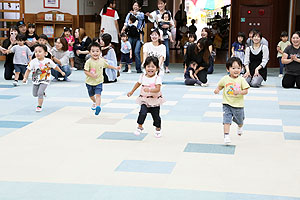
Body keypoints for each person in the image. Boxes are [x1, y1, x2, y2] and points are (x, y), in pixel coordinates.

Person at [214, 57, 250, 145]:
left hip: (238, 105)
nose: (236, 70)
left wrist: (239, 92)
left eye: (238, 68)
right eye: (233, 68)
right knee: (226, 120)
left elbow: (246, 91)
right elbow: (220, 86)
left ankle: (240, 126)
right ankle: (226, 136)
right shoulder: (225, 79)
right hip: (227, 104)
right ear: (228, 69)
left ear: (241, 69)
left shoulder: (241, 79)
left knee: (240, 120)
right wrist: (217, 90)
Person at [127, 56, 165, 138]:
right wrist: (132, 91)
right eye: (148, 66)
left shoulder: (157, 78)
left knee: (156, 117)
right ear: (145, 67)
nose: (150, 69)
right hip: (144, 99)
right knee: (142, 112)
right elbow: (138, 84)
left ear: (157, 68)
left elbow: (158, 89)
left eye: (153, 67)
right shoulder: (142, 76)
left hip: (154, 100)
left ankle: (158, 129)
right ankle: (140, 126)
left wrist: (150, 90)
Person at [22, 44, 65, 112]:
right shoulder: (33, 61)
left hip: (45, 79)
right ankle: (42, 92)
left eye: (39, 51)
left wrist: (61, 72)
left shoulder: (48, 61)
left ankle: (39, 106)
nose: (37, 53)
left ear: (45, 53)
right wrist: (25, 78)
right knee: (35, 94)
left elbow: (55, 67)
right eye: (36, 52)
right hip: (36, 79)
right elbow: (28, 70)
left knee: (40, 93)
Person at [84, 43, 120, 115]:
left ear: (100, 52)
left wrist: (115, 68)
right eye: (93, 51)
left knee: (98, 94)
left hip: (99, 81)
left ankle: (98, 106)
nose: (95, 53)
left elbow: (107, 66)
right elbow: (85, 71)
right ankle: (94, 102)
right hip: (89, 82)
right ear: (90, 52)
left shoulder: (102, 61)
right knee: (91, 95)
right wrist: (91, 75)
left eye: (97, 51)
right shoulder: (88, 62)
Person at [146, 0, 175, 73]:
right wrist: (149, 15)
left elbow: (172, 24)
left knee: (167, 52)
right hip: (157, 36)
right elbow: (151, 18)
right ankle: (155, 66)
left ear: (165, 4)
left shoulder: (168, 13)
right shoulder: (156, 13)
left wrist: (168, 25)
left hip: (165, 35)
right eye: (159, 4)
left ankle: (166, 67)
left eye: (161, 4)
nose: (160, 5)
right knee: (156, 52)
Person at [121, 1, 144, 73]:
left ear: (140, 7)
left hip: (138, 36)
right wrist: (122, 30)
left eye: (137, 5)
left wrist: (135, 14)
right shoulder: (129, 14)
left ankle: (138, 68)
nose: (135, 7)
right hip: (130, 35)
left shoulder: (141, 14)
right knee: (127, 50)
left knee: (136, 52)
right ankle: (126, 67)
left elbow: (141, 18)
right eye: (134, 5)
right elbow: (126, 23)